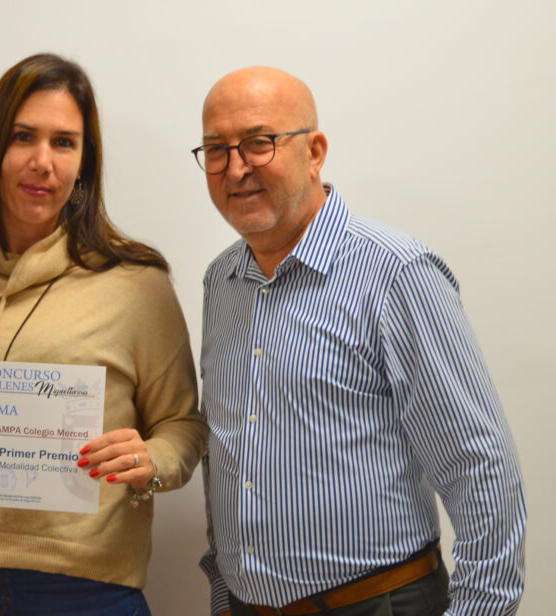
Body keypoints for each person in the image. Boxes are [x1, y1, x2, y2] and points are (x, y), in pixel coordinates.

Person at [0, 53, 207, 615]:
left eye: (64, 142)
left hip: (82, 587)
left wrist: (153, 458)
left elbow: (184, 426)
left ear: (83, 164)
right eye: (23, 136)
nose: (42, 161)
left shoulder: (136, 282)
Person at [193, 67, 526, 616]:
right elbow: (227, 453)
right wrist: (226, 596)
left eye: (258, 143)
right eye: (215, 150)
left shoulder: (396, 273)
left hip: (379, 603)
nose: (235, 168)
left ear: (315, 151)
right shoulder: (221, 282)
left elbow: (481, 468)